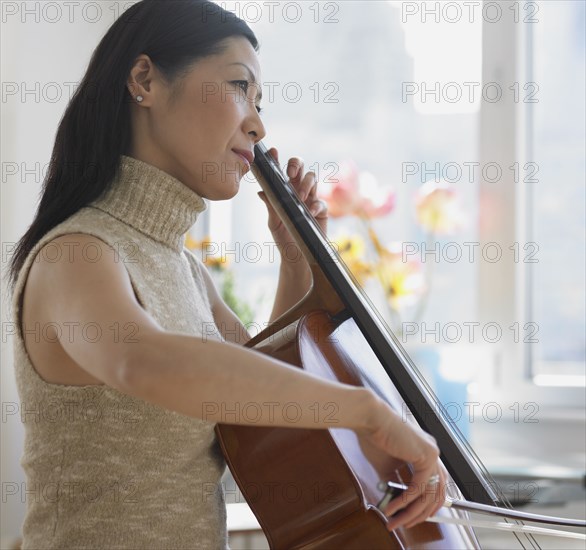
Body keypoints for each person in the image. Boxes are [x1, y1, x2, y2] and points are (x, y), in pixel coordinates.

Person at [7, 1, 446, 548]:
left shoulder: (185, 270)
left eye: (260, 103)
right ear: (144, 79)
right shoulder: (77, 253)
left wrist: (296, 261)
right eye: (240, 87)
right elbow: (140, 360)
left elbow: (258, 401)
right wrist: (369, 413)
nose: (258, 125)